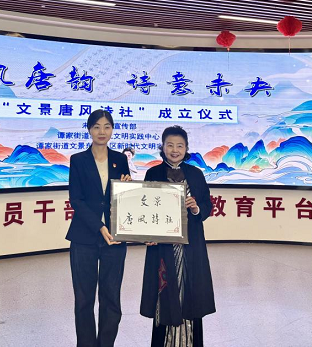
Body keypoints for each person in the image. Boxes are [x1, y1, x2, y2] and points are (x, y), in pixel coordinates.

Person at [140, 126, 216, 347]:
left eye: (180, 146)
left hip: (191, 245)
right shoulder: (153, 173)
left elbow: (207, 205)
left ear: (186, 148)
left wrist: (196, 208)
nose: (175, 150)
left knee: (191, 294)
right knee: (164, 292)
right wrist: (146, 234)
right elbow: (144, 209)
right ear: (162, 147)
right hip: (162, 246)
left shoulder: (196, 174)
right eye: (170, 145)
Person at [66, 109, 132, 347]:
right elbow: (76, 200)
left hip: (115, 237)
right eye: (96, 127)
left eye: (106, 126)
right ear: (89, 130)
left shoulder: (120, 159)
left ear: (112, 129)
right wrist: (100, 227)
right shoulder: (78, 160)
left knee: (111, 297)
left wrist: (128, 187)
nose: (102, 132)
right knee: (84, 299)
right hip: (84, 237)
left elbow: (124, 198)